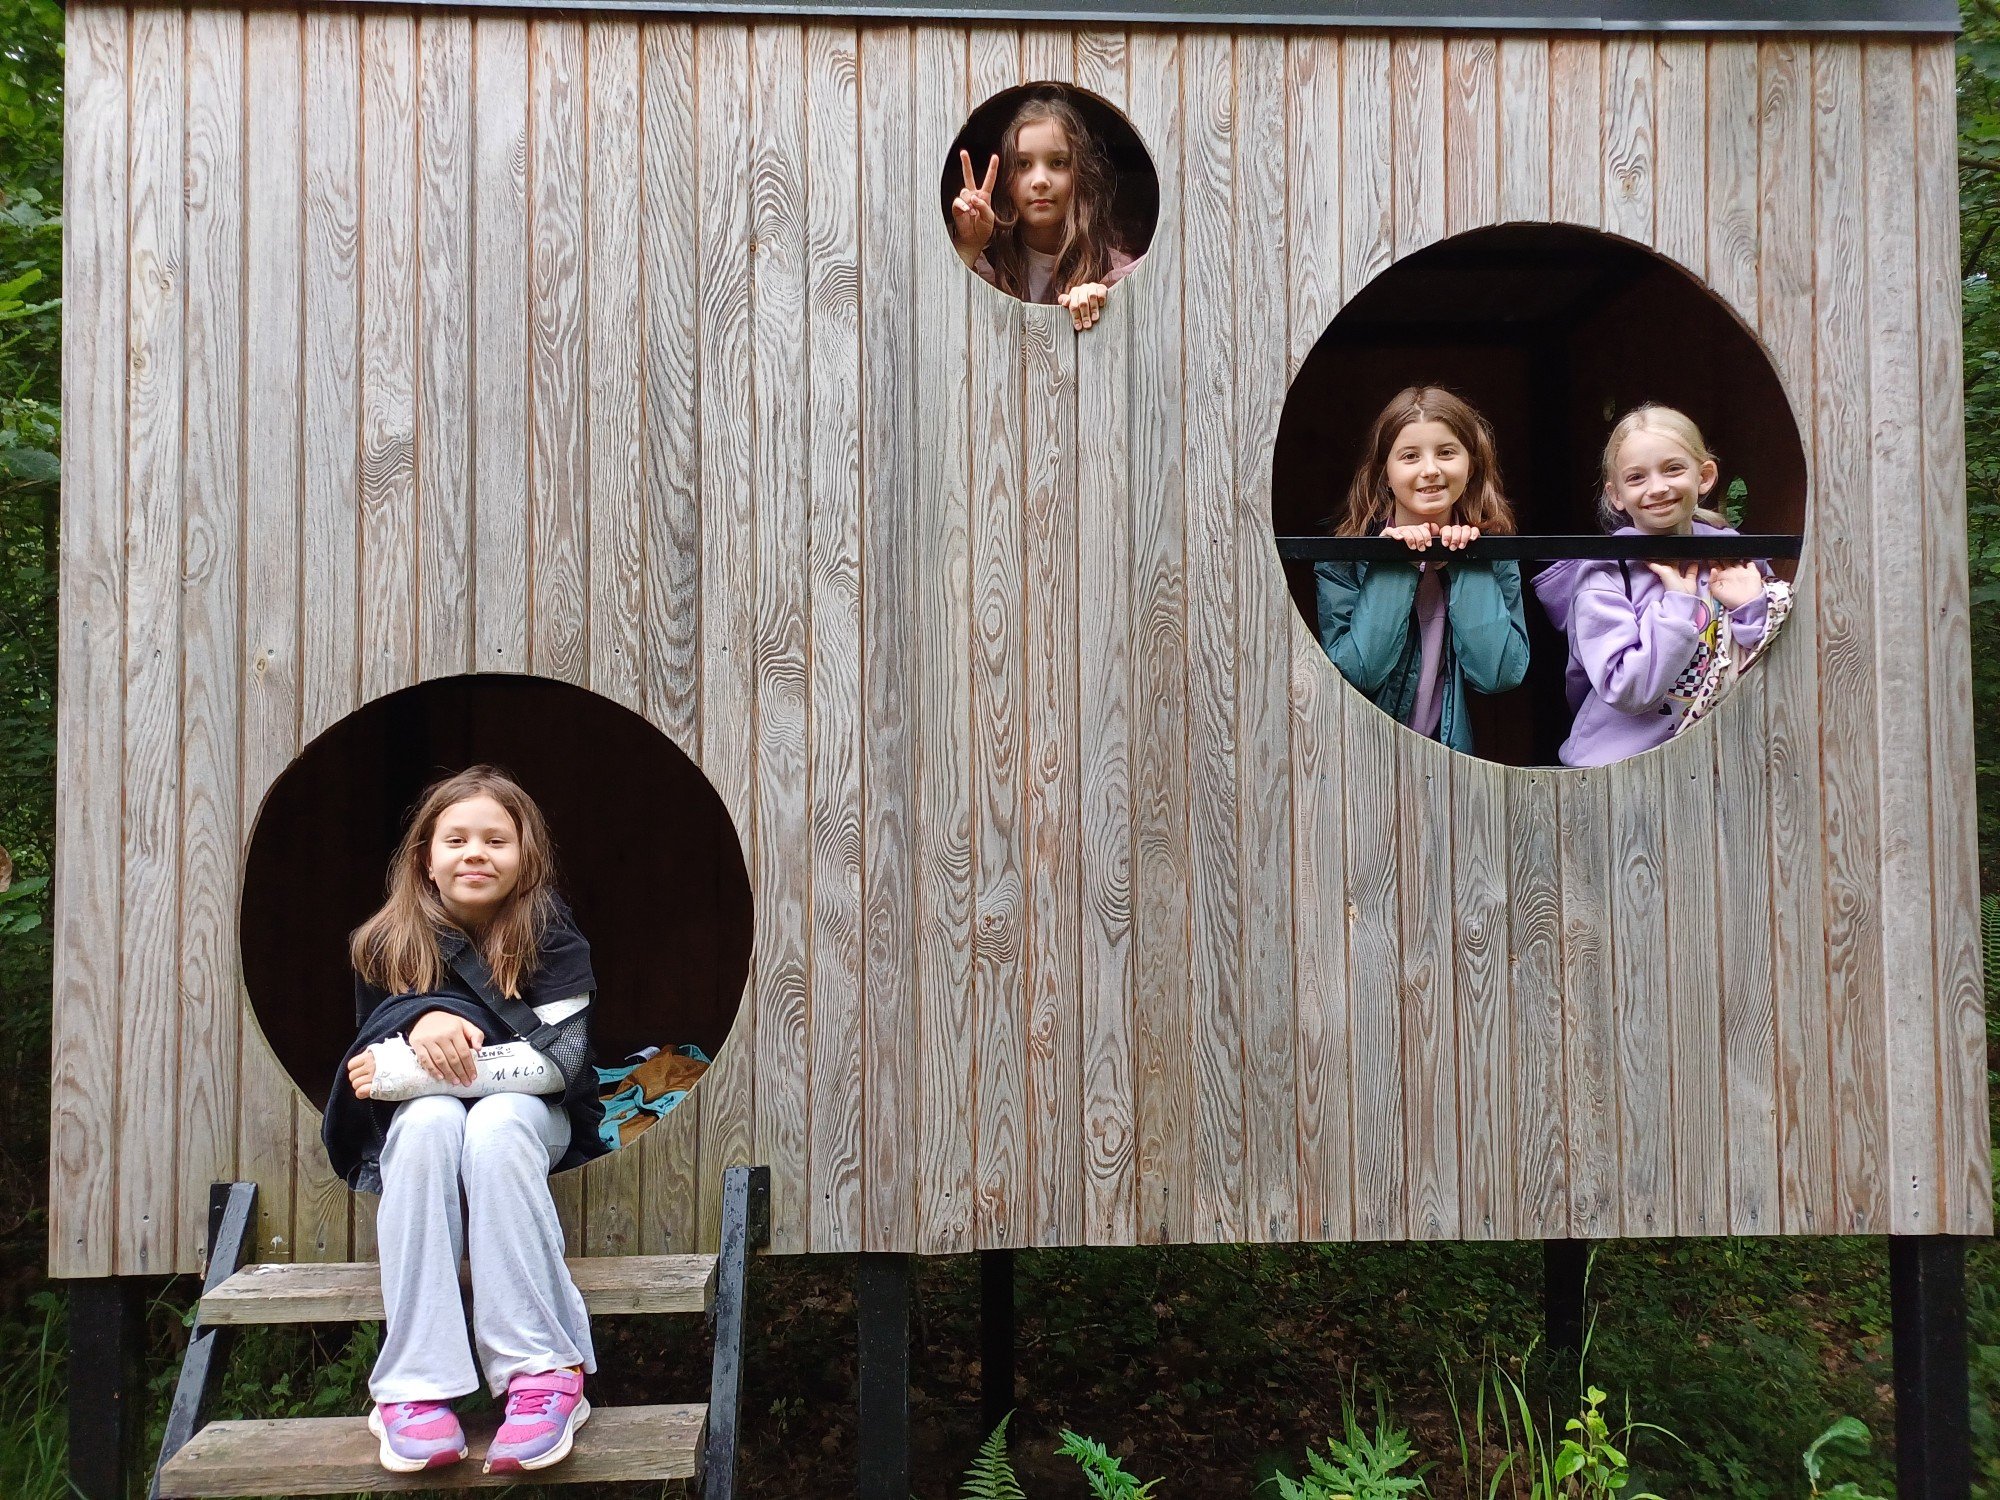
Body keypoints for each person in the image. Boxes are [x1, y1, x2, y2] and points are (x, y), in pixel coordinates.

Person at [322, 766, 606, 1475]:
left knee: (498, 1121)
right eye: (455, 840)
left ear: (526, 859)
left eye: (496, 840)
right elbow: (377, 1068)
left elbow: (562, 1063)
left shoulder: (550, 932)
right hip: (429, 1124)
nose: (475, 853)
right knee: (426, 1124)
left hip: (532, 1119)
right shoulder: (387, 941)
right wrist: (421, 1017)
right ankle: (415, 1386)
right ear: (426, 857)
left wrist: (426, 1052)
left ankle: (544, 1371)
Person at [1532, 403, 1788, 767]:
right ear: (1616, 495)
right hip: (1620, 767)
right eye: (1637, 477)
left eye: (1673, 469)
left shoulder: (1733, 556)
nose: (1658, 487)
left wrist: (1753, 608)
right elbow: (1625, 688)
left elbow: (1777, 666)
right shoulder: (1605, 576)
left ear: (1704, 476)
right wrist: (1678, 608)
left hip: (1721, 761)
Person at [1313, 386, 1531, 754]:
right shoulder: (1344, 557)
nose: (1430, 470)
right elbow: (1360, 672)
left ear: (1471, 465)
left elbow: (1499, 673)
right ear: (1385, 473)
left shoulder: (1494, 553)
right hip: (1363, 758)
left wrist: (1467, 564)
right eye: (1410, 456)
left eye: (1446, 452)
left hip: (1452, 762)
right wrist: (1395, 564)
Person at [950, 89, 1139, 331]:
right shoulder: (989, 263)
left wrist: (1100, 298)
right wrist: (968, 246)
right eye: (1023, 164)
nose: (1040, 180)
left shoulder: (1110, 266)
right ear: (1007, 181)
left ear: (1080, 176)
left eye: (1058, 163)